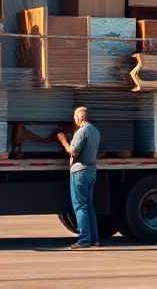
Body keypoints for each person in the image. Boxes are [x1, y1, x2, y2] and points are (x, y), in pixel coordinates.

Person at [57, 106, 101, 249]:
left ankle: (83, 240)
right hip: (92, 171)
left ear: (80, 117)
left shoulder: (81, 132)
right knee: (89, 206)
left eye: (75, 117)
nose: (74, 120)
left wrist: (63, 140)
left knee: (80, 206)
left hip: (79, 172)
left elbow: (73, 152)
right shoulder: (95, 131)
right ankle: (95, 239)